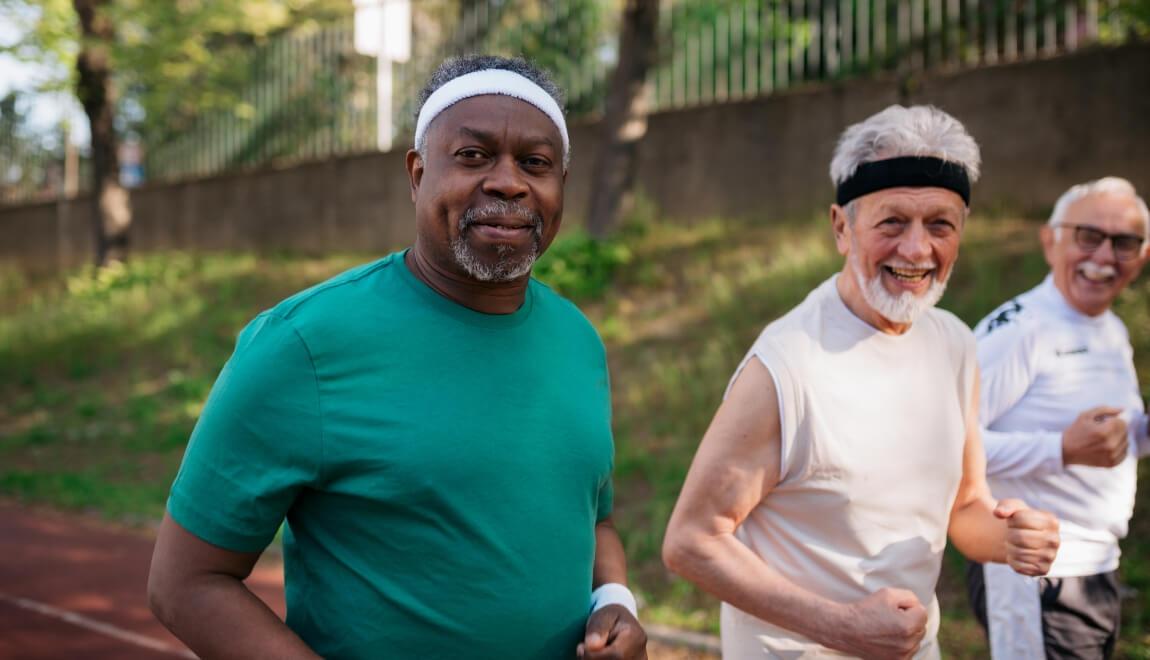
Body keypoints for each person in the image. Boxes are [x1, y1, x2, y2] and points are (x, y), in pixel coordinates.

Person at [147, 55, 647, 660]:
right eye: (473, 155)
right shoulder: (302, 344)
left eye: (535, 163)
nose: (508, 182)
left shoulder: (577, 340)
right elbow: (185, 583)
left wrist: (614, 599)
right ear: (417, 174)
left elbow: (593, 518)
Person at [661, 105, 1061, 659]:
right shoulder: (787, 366)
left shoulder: (953, 343)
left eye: (940, 224)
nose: (918, 250)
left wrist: (1011, 539)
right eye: (892, 222)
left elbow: (965, 507)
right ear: (841, 228)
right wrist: (841, 626)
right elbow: (691, 541)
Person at [966, 177, 1150, 658]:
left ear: (1142, 256)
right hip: (1034, 572)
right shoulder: (1021, 329)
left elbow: (1114, 436)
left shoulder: (1109, 327)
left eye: (1124, 243)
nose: (1105, 257)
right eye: (1089, 236)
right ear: (1051, 241)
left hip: (1096, 566)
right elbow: (946, 445)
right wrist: (1060, 449)